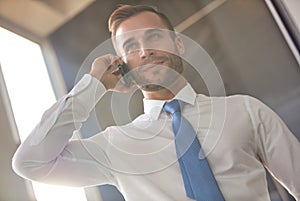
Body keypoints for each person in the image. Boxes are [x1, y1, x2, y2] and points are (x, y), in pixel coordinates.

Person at [12, 4, 299, 201]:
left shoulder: (245, 111)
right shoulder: (115, 146)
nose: (145, 51)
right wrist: (94, 85)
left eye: (154, 37)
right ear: (122, 64)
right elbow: (30, 163)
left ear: (179, 44)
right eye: (131, 47)